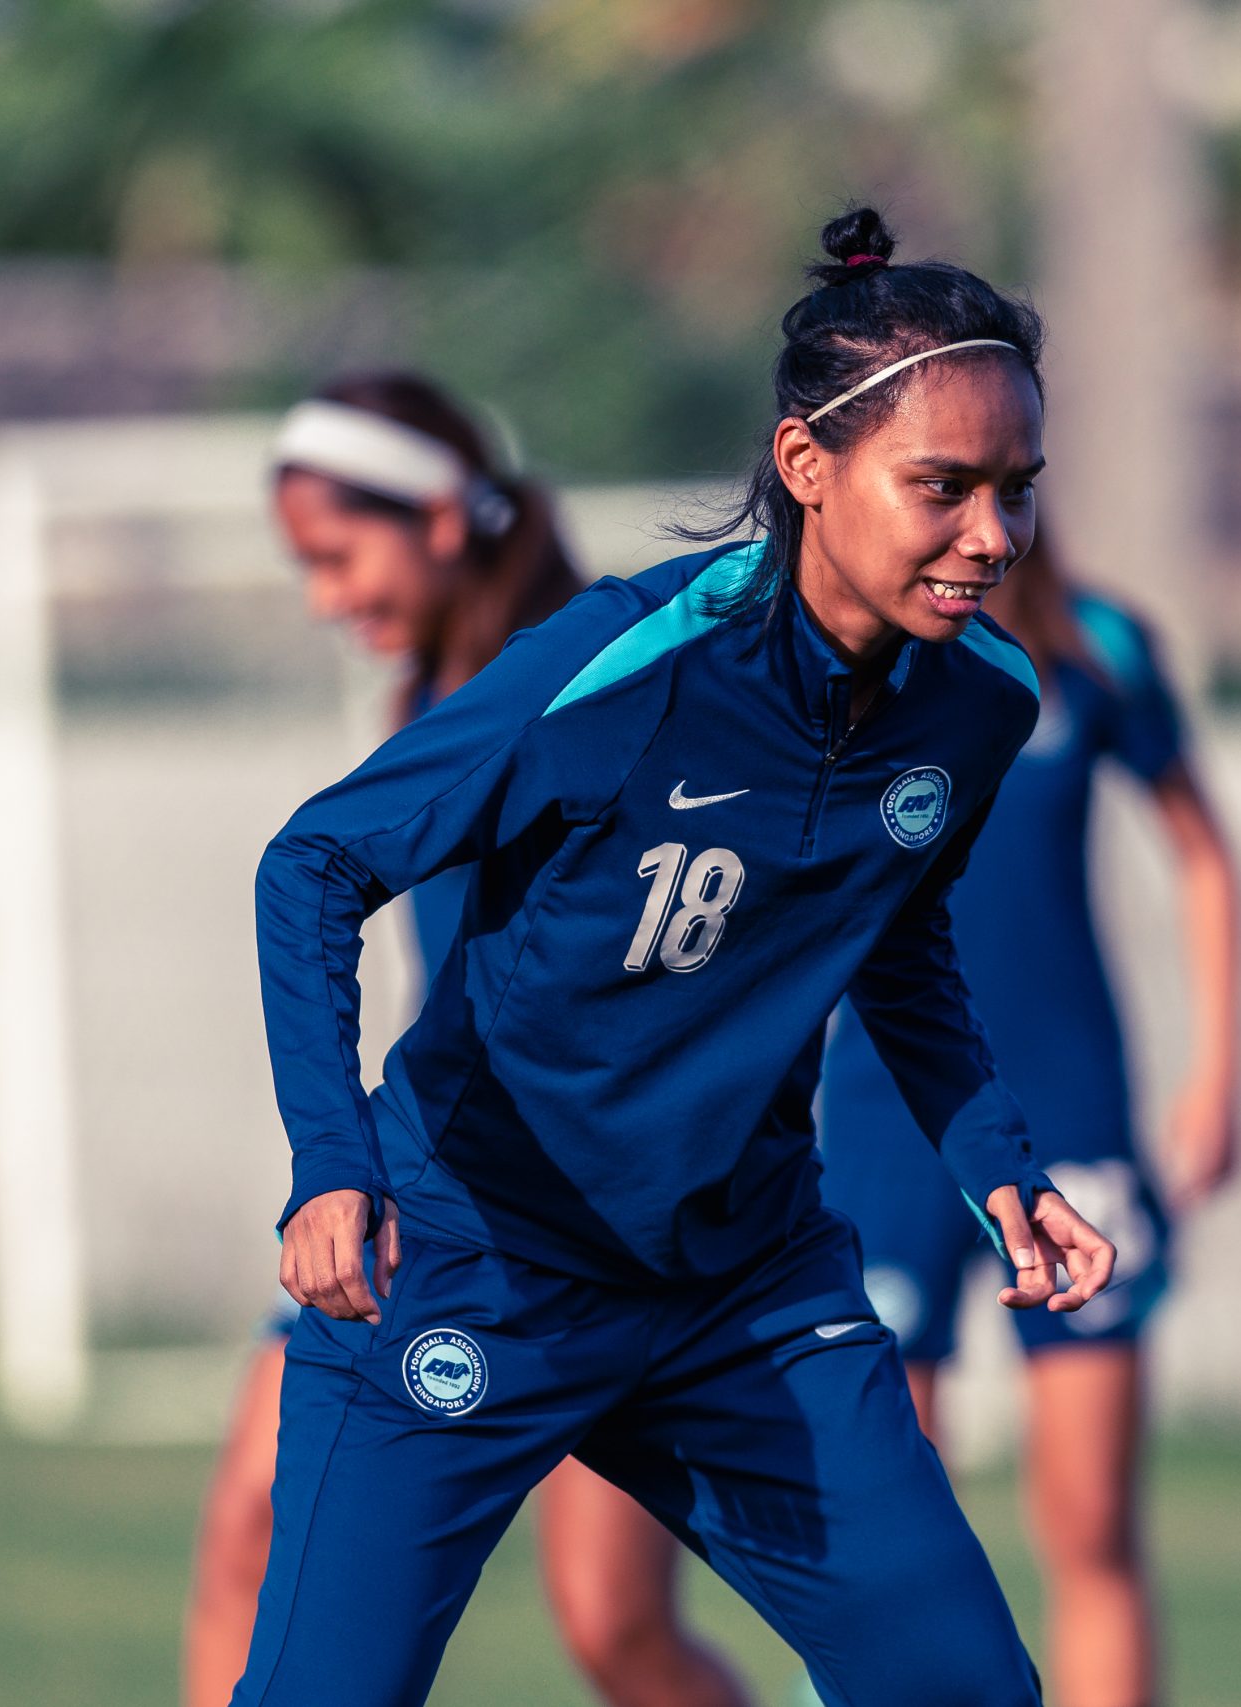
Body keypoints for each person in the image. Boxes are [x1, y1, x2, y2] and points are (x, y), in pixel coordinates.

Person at [234, 207, 1116, 1707]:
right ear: (805, 465)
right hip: (476, 1260)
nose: (992, 535)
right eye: (944, 486)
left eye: (1015, 489)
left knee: (963, 1687)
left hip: (741, 1286)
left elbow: (894, 939)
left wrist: (998, 1163)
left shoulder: (981, 704)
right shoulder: (624, 662)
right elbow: (315, 861)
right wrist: (333, 1164)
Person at [185, 373, 754, 1707]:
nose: (325, 598)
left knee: (613, 1623)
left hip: (598, 1223)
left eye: (340, 556)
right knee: (251, 1523)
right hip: (434, 1199)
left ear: (442, 518)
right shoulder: (423, 698)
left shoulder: (592, 684)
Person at [817, 527, 1241, 1707]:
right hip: (886, 1116)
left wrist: (1217, 1073)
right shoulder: (850, 648)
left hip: (1068, 1110)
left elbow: (1203, 852)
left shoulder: (1097, 649)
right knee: (888, 1521)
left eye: (1007, 481)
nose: (978, 517)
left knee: (1090, 1514)